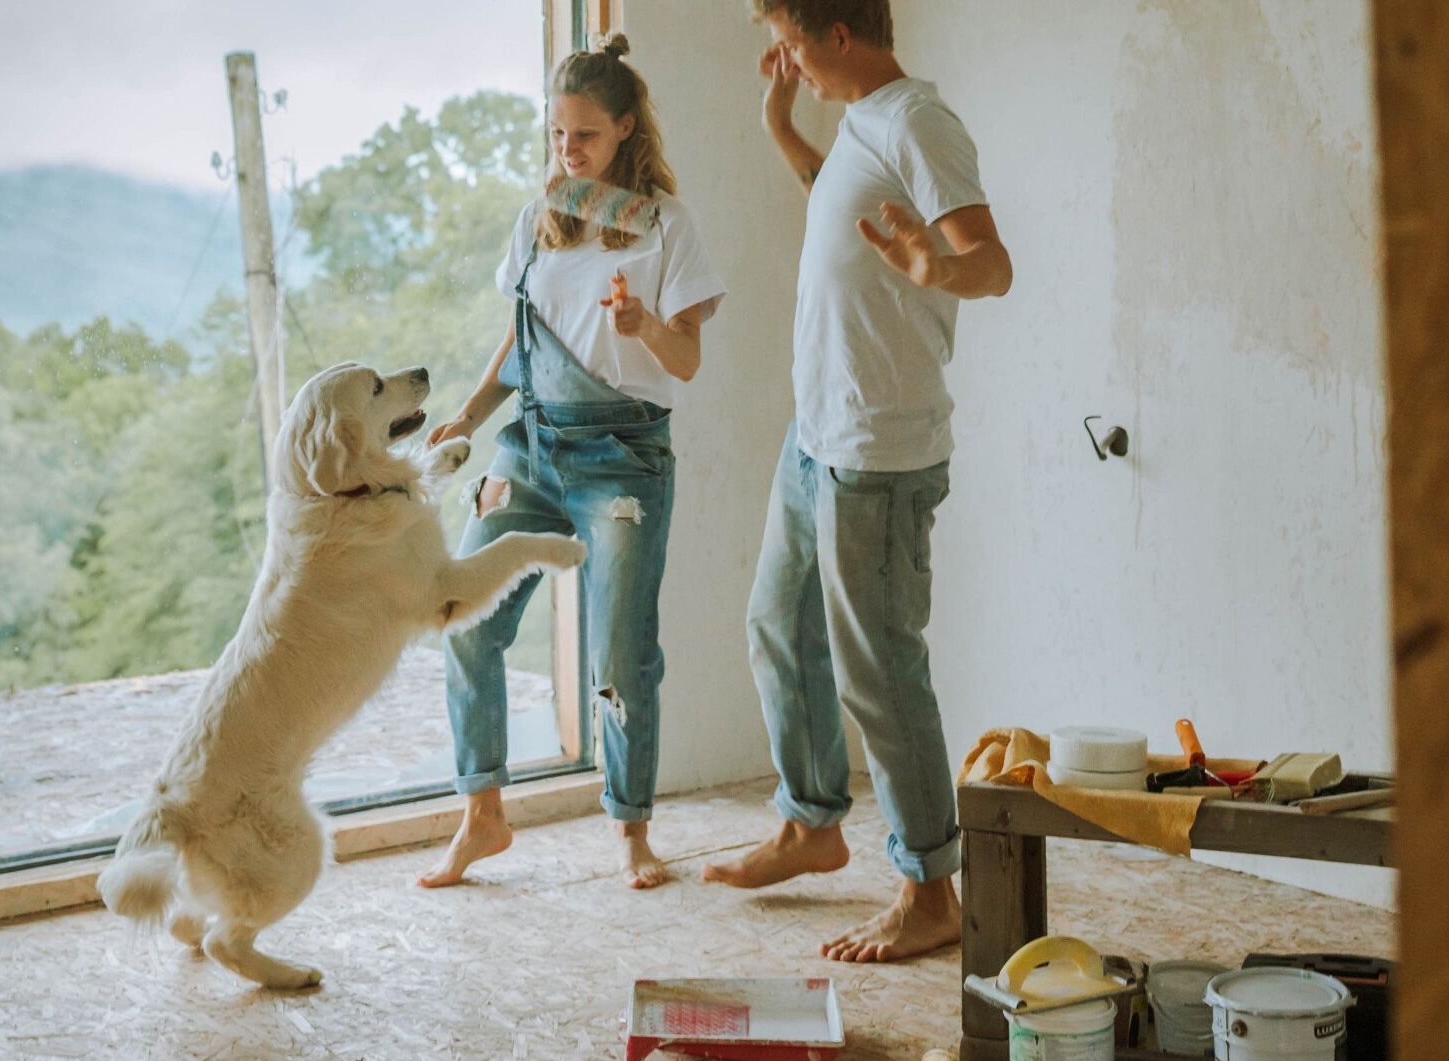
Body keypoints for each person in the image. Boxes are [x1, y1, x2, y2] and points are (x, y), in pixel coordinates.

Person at [701, 0, 1014, 963]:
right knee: (778, 625)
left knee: (880, 672)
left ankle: (930, 890)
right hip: (819, 437)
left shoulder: (919, 120)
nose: (782, 57)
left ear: (841, 36)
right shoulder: (858, 126)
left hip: (879, 453)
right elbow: (834, 205)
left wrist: (935, 264)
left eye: (792, 41)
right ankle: (813, 825)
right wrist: (782, 128)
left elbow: (991, 266)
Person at [416, 34, 727, 891]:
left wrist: (643, 330)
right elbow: (519, 345)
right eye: (558, 136)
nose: (568, 151)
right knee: (464, 614)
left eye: (585, 136)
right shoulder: (537, 224)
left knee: (620, 658)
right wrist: (468, 420)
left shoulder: (665, 226)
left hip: (623, 458)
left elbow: (688, 360)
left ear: (626, 128)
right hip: (531, 444)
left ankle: (631, 831)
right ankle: (482, 817)